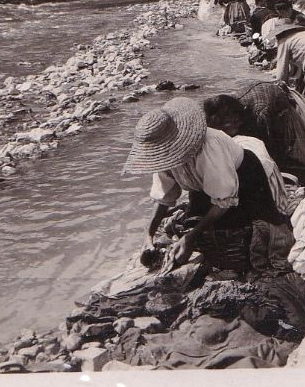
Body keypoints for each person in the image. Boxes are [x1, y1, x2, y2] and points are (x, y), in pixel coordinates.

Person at [124, 97, 293, 275]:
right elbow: (164, 197)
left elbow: (224, 200)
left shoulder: (209, 146)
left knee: (241, 231)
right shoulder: (163, 159)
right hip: (203, 185)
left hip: (245, 179)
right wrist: (148, 235)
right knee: (196, 224)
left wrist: (191, 237)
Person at [203, 84, 305, 191]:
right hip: (264, 101)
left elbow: (268, 147)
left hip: (279, 106)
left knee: (291, 153)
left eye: (225, 129)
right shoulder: (227, 107)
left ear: (236, 121)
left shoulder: (261, 113)